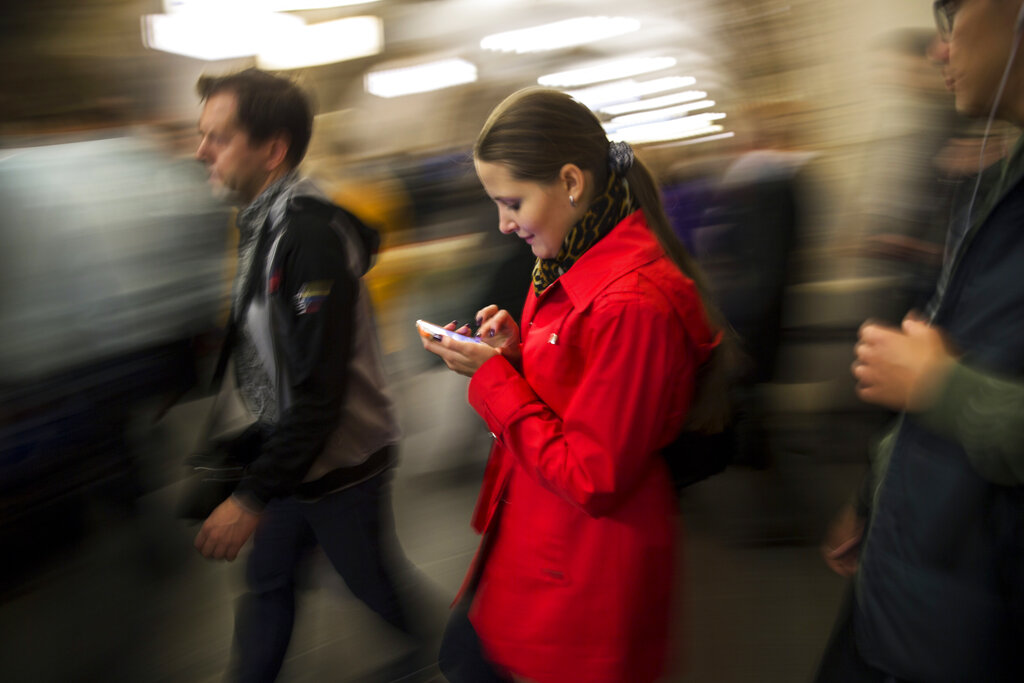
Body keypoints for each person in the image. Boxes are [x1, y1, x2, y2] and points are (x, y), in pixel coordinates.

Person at [421, 87, 732, 683]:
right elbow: (573, 389)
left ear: (570, 181)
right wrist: (513, 355)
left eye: (511, 202)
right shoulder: (568, 260)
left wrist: (493, 380)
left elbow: (593, 475)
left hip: (584, 569)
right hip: (543, 541)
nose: (504, 224)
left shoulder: (632, 304)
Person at [191, 68, 426, 683]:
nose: (201, 151)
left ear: (273, 150)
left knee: (376, 588)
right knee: (269, 584)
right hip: (296, 462)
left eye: (218, 137)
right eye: (202, 135)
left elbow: (319, 395)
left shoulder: (306, 237)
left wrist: (249, 498)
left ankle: (465, 662)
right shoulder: (264, 225)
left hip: (339, 468)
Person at [814, 2, 1024, 681]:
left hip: (973, 619)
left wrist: (940, 387)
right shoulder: (1002, 178)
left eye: (952, 14)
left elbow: (945, 375)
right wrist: (878, 485)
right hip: (916, 579)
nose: (939, 49)